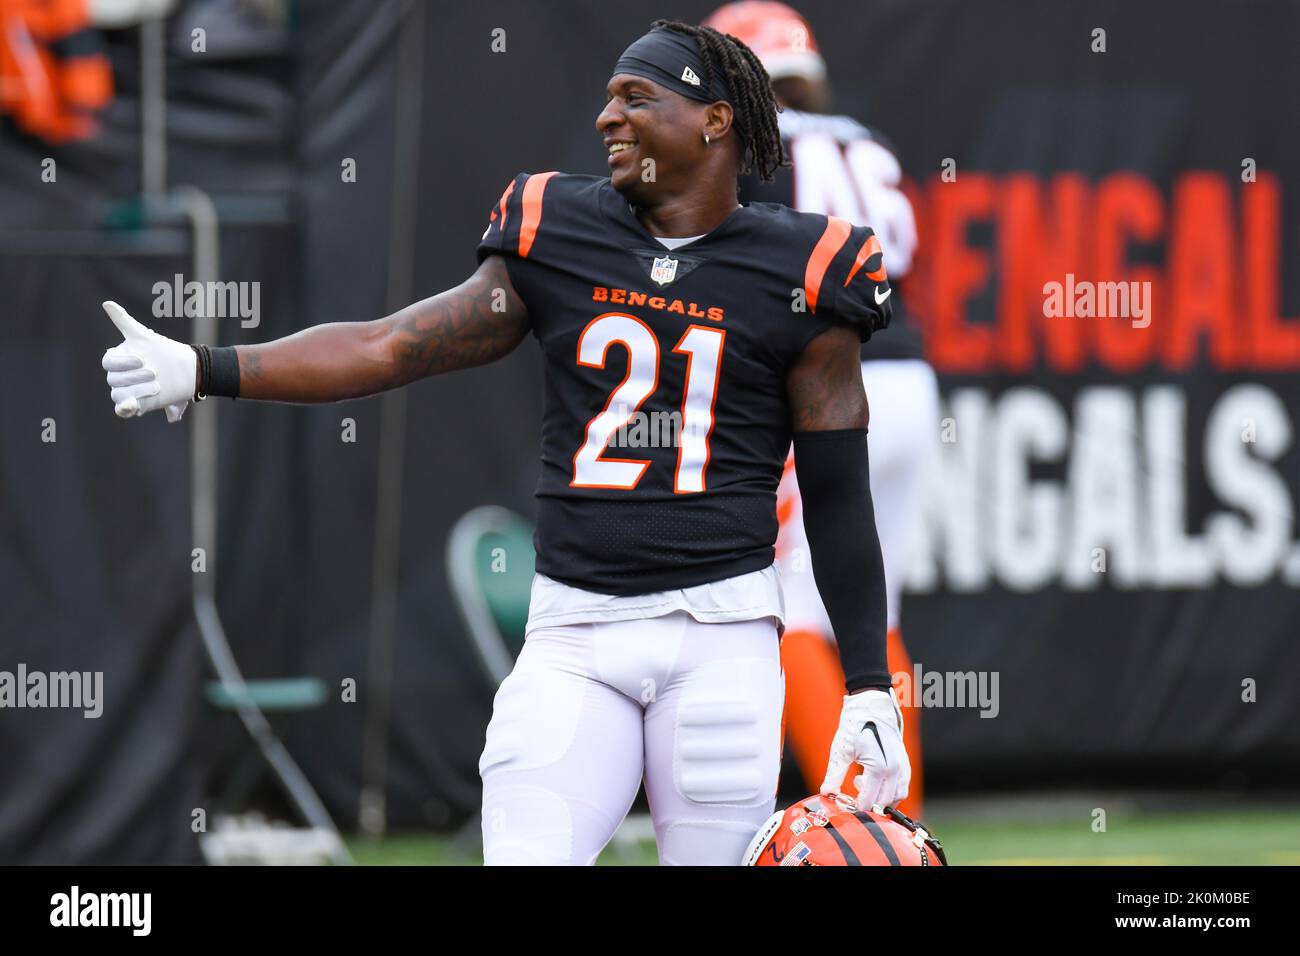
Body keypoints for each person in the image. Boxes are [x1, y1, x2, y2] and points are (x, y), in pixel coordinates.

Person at [99, 19, 908, 865]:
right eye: (605, 100)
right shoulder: (557, 231)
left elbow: (838, 499)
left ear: (715, 120)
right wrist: (204, 366)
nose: (609, 119)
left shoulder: (806, 267)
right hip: (576, 633)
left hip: (722, 640)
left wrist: (866, 686)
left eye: (638, 98)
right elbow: (386, 345)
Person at [706, 1, 938, 819]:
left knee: (800, 602)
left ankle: (849, 821)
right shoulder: (866, 142)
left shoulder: (762, 152)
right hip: (910, 376)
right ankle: (902, 822)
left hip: (837, 382)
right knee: (876, 613)